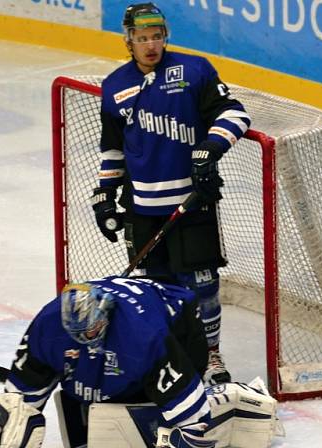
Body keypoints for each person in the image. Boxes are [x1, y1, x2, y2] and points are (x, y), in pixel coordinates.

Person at [92, 3, 252, 386]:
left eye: (157, 37)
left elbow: (235, 114)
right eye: (143, 38)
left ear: (166, 37)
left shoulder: (194, 70)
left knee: (204, 284)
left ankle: (210, 353)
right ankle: (170, 355)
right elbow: (113, 148)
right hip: (142, 209)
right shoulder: (114, 86)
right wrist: (105, 193)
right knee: (154, 290)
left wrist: (209, 148)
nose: (151, 45)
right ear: (128, 40)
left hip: (191, 202)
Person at [0, 275, 216, 448]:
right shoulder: (48, 323)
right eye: (74, 334)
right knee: (96, 373)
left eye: (89, 332)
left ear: (105, 315)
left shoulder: (143, 335)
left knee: (157, 389)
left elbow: (192, 419)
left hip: (179, 319)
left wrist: (190, 442)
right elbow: (25, 386)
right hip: (125, 314)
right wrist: (7, 419)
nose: (82, 339)